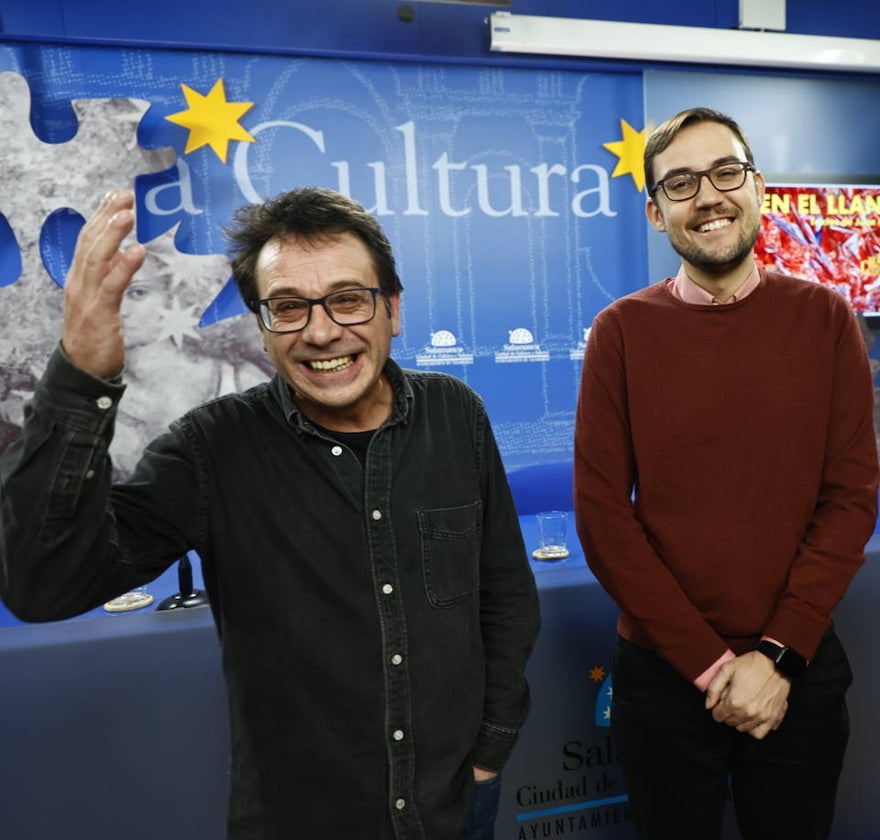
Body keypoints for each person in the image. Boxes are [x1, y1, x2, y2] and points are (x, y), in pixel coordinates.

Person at [0, 187, 540, 839]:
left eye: (347, 299)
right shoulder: (210, 449)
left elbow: (505, 590)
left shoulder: (456, 412)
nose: (320, 331)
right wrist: (82, 379)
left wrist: (491, 749)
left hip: (457, 806)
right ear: (262, 325)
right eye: (288, 307)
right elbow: (42, 585)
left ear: (392, 309)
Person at [573, 107, 880, 839]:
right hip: (665, 678)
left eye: (725, 172)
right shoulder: (620, 332)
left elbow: (850, 501)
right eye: (680, 183)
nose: (707, 195)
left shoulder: (828, 318)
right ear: (655, 212)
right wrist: (714, 668)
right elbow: (603, 516)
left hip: (794, 673)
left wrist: (773, 658)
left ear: (759, 187)